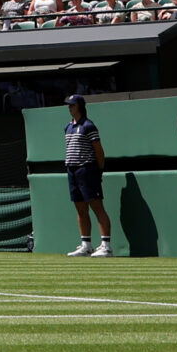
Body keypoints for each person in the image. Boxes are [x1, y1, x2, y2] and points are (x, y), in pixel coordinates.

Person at [63, 94, 112, 256]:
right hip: (72, 170)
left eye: (72, 105)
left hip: (87, 170)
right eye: (69, 105)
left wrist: (98, 171)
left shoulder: (89, 126)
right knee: (80, 209)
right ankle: (86, 245)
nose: (69, 108)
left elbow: (99, 151)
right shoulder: (68, 127)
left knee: (97, 208)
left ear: (79, 106)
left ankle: (106, 246)